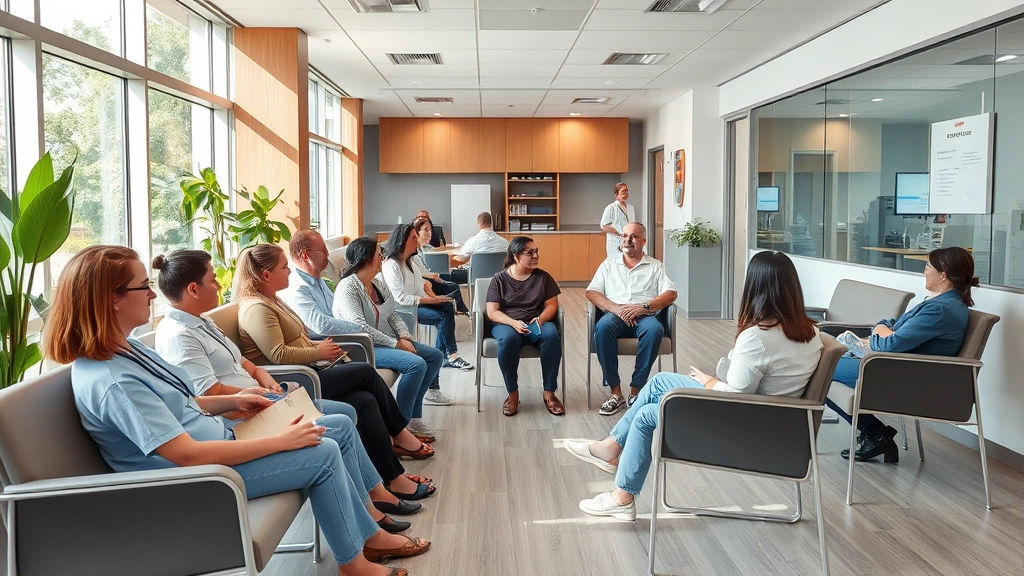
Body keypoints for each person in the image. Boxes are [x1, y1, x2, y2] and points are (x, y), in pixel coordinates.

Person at [43, 246, 430, 576]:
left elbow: (179, 404)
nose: (151, 294)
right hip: (196, 478)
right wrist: (280, 441)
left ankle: (369, 537)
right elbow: (186, 455)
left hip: (218, 439)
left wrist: (232, 401)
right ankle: (355, 562)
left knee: (335, 428)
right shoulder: (112, 379)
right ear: (112, 298)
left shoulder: (126, 350)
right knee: (324, 450)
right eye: (143, 286)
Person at [155, 249, 437, 504]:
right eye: (283, 267)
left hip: (271, 392)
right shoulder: (239, 314)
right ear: (193, 289)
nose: (218, 285)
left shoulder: (208, 321)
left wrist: (265, 378)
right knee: (363, 379)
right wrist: (312, 356)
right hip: (270, 397)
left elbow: (250, 364)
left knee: (363, 399)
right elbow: (216, 390)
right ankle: (390, 464)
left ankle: (385, 481)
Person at [564, 250, 822, 521]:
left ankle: (622, 496)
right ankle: (610, 448)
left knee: (647, 415)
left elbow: (734, 396)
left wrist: (709, 381)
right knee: (661, 381)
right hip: (775, 419)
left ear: (754, 288)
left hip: (745, 423)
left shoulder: (758, 337)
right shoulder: (812, 332)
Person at [828, 247, 977, 464]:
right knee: (821, 358)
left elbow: (890, 342)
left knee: (817, 367)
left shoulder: (940, 310)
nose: (924, 271)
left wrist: (879, 329)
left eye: (927, 267)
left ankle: (876, 434)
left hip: (898, 376)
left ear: (943, 274)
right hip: (894, 368)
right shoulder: (943, 304)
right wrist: (883, 328)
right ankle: (876, 435)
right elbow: (893, 326)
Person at [334, 238, 444, 435]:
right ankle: (400, 426)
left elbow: (393, 314)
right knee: (416, 364)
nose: (383, 257)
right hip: (362, 347)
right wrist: (395, 343)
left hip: (385, 341)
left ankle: (413, 418)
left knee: (435, 356)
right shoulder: (348, 288)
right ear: (367, 259)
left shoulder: (377, 283)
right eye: (378, 254)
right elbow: (360, 328)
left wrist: (404, 335)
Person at [586, 223, 678, 415]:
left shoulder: (655, 266)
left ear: (643, 241)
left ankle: (636, 390)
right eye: (625, 236)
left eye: (634, 236)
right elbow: (592, 292)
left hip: (645, 315)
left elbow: (670, 293)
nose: (628, 240)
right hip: (615, 315)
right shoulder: (609, 264)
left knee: (655, 330)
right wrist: (616, 308)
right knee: (602, 328)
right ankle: (615, 393)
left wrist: (643, 307)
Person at [383, 223, 474, 381]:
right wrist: (430, 300)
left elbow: (419, 287)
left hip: (414, 304)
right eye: (413, 237)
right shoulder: (392, 265)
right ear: (403, 240)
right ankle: (447, 359)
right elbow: (400, 299)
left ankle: (449, 356)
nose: (417, 240)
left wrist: (434, 299)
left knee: (446, 306)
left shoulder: (410, 263)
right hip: (403, 309)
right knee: (443, 316)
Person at [485, 236, 564, 417]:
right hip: (507, 322)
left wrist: (540, 320)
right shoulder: (498, 280)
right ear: (516, 256)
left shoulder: (544, 278)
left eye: (536, 252)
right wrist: (513, 323)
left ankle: (549, 393)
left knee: (552, 335)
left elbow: (552, 305)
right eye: (530, 253)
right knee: (508, 339)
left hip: (536, 321)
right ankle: (512, 394)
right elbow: (492, 311)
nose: (535, 255)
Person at [281, 230, 363, 339]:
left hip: (348, 339)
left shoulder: (318, 279)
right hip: (330, 346)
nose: (328, 254)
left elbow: (338, 311)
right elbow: (321, 325)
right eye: (323, 250)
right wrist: (361, 328)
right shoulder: (298, 287)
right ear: (305, 255)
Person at [411, 217, 469, 313]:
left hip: (433, 276)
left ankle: (460, 310)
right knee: (454, 286)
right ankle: (459, 310)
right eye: (426, 230)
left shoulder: (425, 247)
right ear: (417, 232)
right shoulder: (414, 251)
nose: (430, 233)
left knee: (454, 284)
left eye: (430, 230)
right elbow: (420, 272)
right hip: (426, 282)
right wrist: (433, 276)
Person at [600, 182, 636, 259]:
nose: (626, 193)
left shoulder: (631, 208)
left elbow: (633, 224)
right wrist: (618, 232)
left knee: (627, 261)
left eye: (627, 191)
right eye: (623, 191)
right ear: (616, 194)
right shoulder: (611, 208)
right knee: (615, 264)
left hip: (628, 241)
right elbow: (604, 226)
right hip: (615, 242)